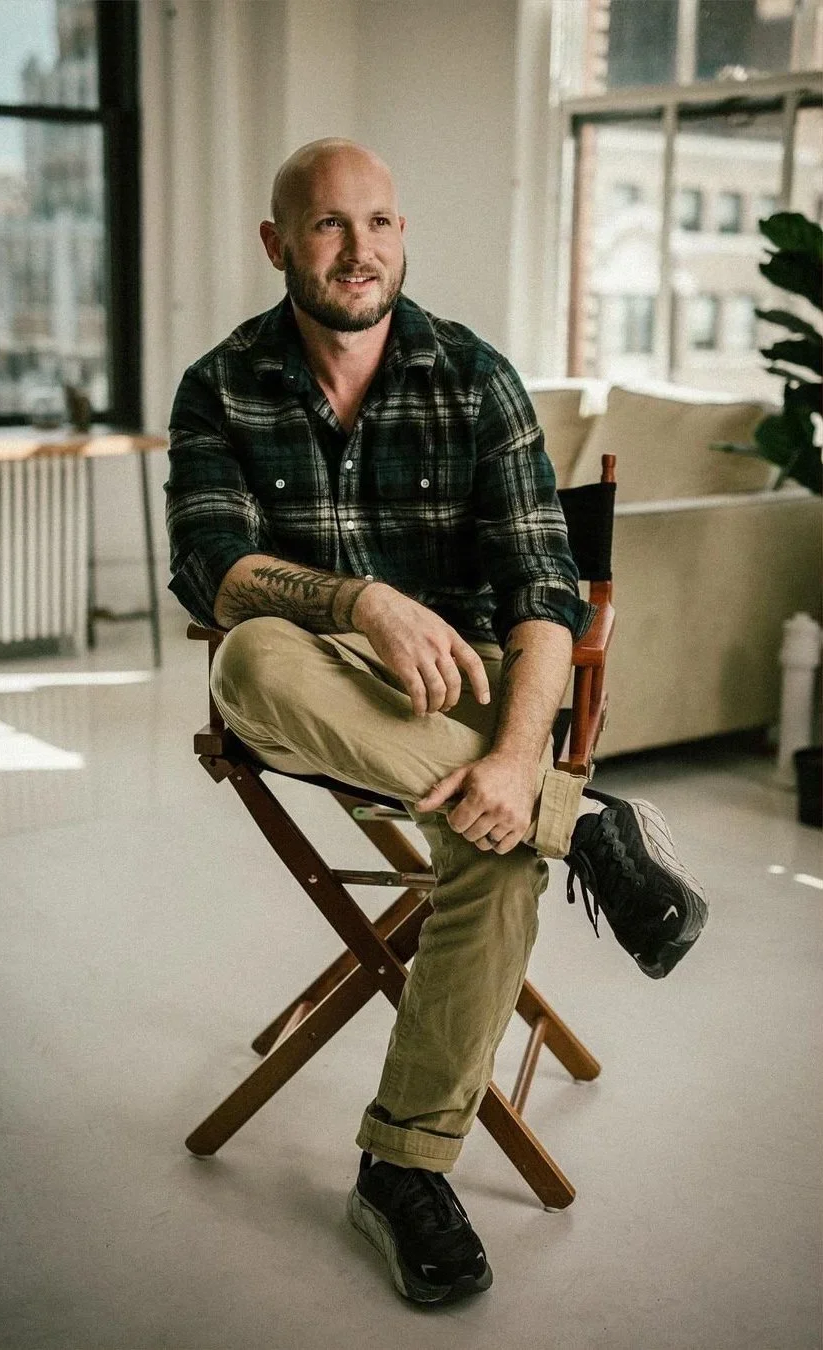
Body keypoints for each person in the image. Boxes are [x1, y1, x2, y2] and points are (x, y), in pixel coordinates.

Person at [165, 138, 707, 1306]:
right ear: (277, 245)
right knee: (247, 659)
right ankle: (587, 822)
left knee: (495, 838)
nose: (360, 251)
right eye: (327, 226)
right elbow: (212, 566)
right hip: (308, 686)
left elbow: (545, 595)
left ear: (404, 233)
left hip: (459, 706)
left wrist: (517, 760)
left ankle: (402, 1169)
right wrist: (361, 599)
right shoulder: (220, 384)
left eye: (382, 223)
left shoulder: (476, 376)